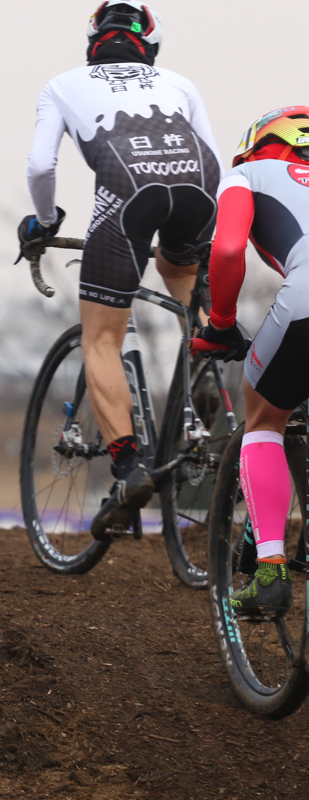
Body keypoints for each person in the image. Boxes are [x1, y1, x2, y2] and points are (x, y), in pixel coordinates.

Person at [19, 1, 222, 539]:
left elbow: (42, 165)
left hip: (130, 196)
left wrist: (44, 222)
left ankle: (129, 469)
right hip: (200, 187)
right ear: (149, 47)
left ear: (92, 45)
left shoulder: (62, 84)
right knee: (181, 276)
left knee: (101, 341)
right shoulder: (178, 82)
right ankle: (204, 367)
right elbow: (215, 156)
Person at [189, 106, 309, 615]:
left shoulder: (247, 174)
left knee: (263, 419)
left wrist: (219, 323)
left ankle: (270, 573)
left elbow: (229, 248)